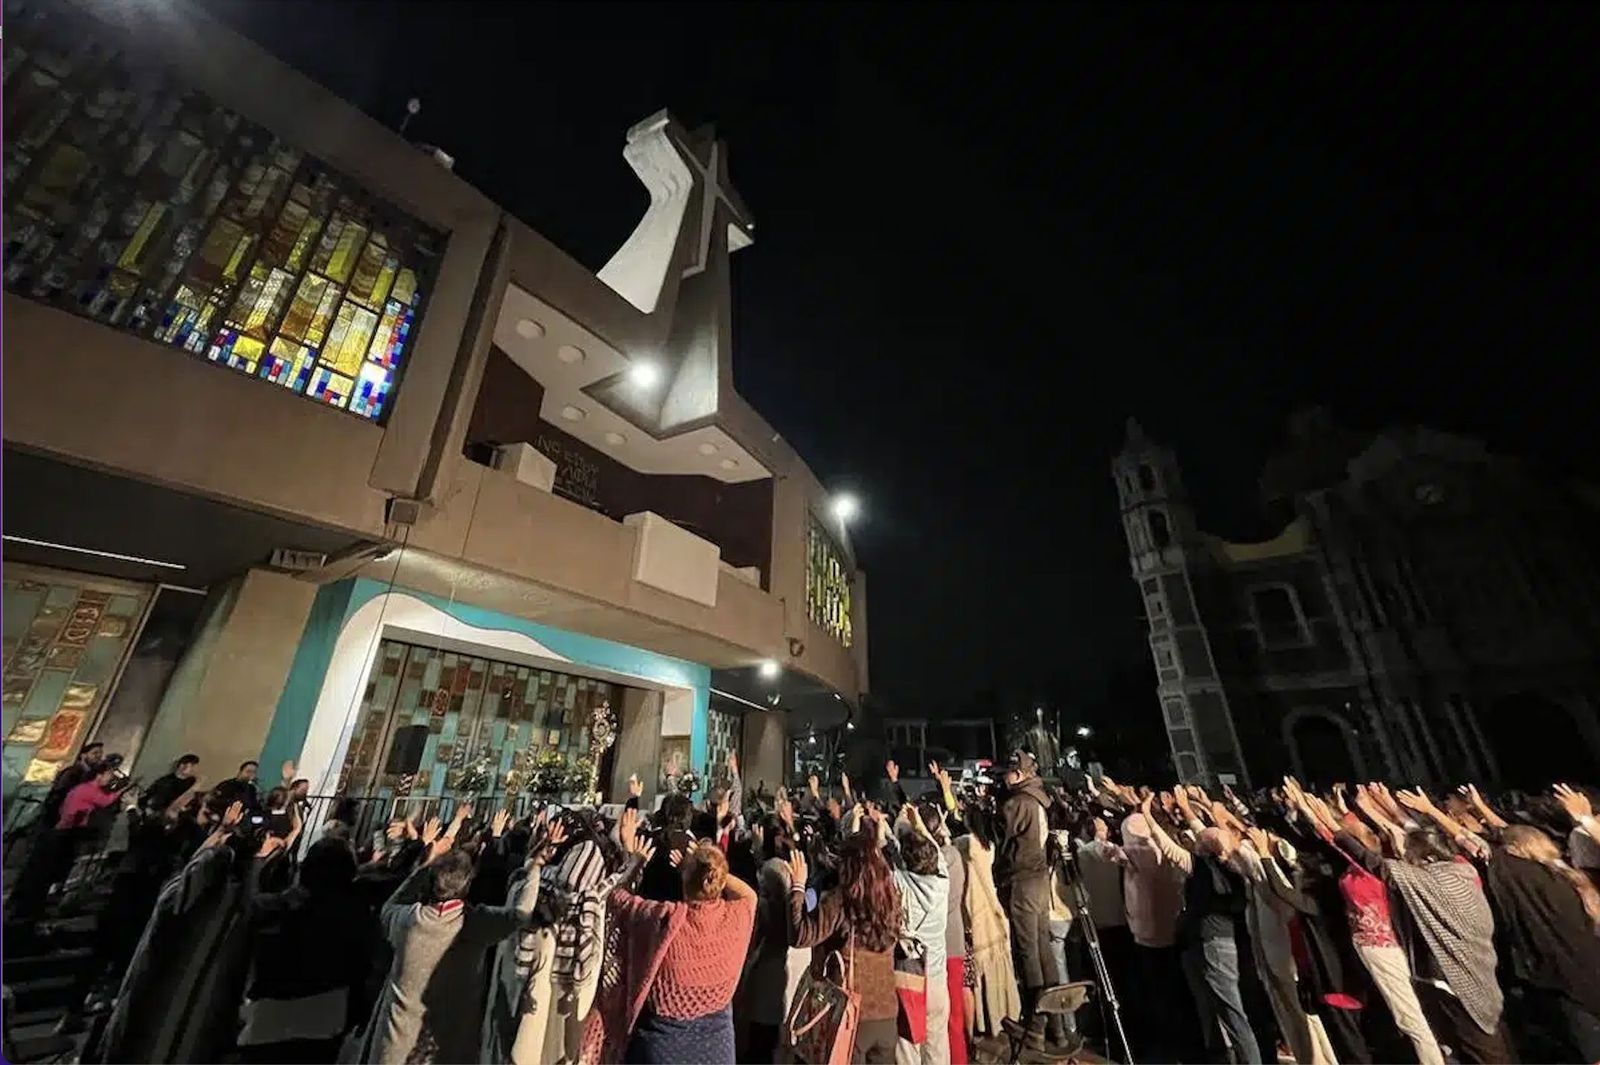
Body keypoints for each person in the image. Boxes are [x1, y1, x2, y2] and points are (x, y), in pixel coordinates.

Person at [360, 806, 556, 1064]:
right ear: (468, 883)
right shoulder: (473, 924)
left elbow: (391, 905)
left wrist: (427, 864)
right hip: (449, 1048)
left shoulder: (408, 920)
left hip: (394, 1048)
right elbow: (519, 915)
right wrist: (533, 866)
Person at [589, 807, 758, 1064]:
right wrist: (711, 869)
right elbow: (749, 895)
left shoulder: (663, 919)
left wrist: (632, 858)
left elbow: (616, 897)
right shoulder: (736, 917)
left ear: (684, 879)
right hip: (717, 1048)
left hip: (662, 1046)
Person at [1140, 791, 1266, 1064]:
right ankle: (1224, 1057)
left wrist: (1148, 815)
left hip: (1213, 943)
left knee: (1231, 1012)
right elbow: (1208, 836)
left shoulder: (1202, 866)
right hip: (1210, 941)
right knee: (1214, 1009)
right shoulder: (1235, 867)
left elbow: (1169, 847)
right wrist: (1191, 809)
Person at [238, 837, 375, 1062]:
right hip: (326, 1018)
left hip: (271, 1015)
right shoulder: (358, 913)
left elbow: (247, 909)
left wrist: (259, 860)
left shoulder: (284, 906)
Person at [788, 827, 904, 1063]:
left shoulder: (840, 901)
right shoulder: (891, 897)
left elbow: (801, 935)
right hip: (887, 1011)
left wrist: (798, 888)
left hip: (852, 1013)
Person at [994, 750, 1063, 1052]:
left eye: (1007, 773)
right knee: (1043, 951)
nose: (1003, 778)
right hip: (1038, 882)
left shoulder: (1018, 802)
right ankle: (1057, 1026)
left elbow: (996, 833)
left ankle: (1035, 1025)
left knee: (1028, 955)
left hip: (1022, 881)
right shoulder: (1038, 799)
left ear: (1019, 774)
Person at [38, 741, 104, 833]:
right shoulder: (73, 772)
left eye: (100, 753)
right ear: (83, 755)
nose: (99, 756)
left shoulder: (92, 775)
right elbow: (59, 794)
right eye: (95, 753)